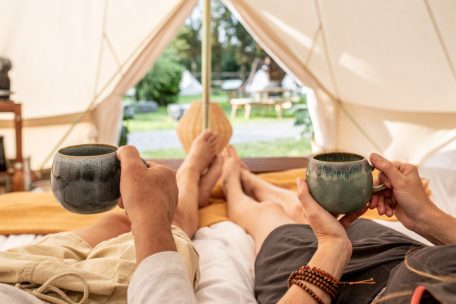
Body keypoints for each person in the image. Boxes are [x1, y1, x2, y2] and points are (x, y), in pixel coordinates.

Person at [0, 130, 223, 304]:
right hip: (79, 296)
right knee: (172, 221)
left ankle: (183, 193)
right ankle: (189, 178)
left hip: (8, 272)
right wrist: (150, 215)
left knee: (117, 220)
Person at [221, 146, 456, 304]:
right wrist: (425, 218)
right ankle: (255, 183)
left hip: (340, 284)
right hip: (402, 252)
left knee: (268, 215)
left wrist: (333, 246)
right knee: (303, 211)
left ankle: (232, 185)